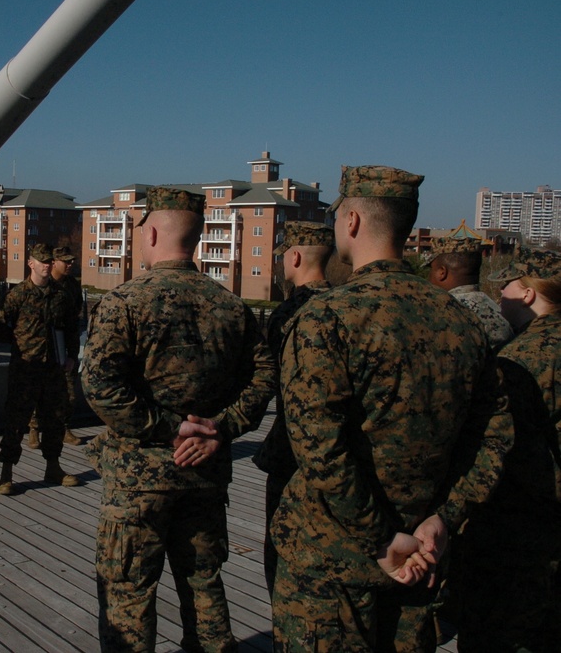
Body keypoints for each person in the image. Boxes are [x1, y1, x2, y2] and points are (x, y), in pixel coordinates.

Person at [271, 165, 513, 651]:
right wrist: (443, 517)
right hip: (423, 557)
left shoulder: (327, 318)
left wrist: (382, 540)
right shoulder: (463, 321)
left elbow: (320, 450)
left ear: (353, 221)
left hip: (331, 567)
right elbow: (494, 437)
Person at [81, 187, 276, 652]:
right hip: (204, 475)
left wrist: (171, 428)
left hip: (138, 480)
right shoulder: (231, 307)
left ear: (149, 232)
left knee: (128, 593)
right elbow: (266, 373)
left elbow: (99, 387)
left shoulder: (125, 303)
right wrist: (221, 427)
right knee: (204, 585)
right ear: (199, 236)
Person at [450, 246, 561, 652]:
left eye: (509, 286)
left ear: (529, 293)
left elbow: (499, 449)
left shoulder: (521, 360)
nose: (501, 296)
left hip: (519, 539)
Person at [252, 220, 333, 596]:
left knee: (281, 549)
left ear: (295, 256)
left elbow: (268, 378)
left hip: (291, 451)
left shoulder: (290, 313)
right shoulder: (343, 305)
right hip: (338, 453)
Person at [0, 242, 82, 494]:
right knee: (16, 421)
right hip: (25, 368)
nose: (47, 265)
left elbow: (72, 327)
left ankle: (53, 467)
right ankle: (6, 473)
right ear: (31, 264)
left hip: (53, 368)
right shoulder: (18, 294)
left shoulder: (61, 295)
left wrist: (72, 355)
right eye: (42, 261)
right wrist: (15, 342)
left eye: (50, 261)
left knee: (54, 419)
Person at [29, 245, 85, 449]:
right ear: (54, 262)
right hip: (41, 344)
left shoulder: (72, 285)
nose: (70, 265)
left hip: (64, 340)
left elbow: (75, 317)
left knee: (68, 391)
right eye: (66, 261)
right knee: (38, 390)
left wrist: (72, 353)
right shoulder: (41, 283)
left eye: (72, 261)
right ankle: (34, 429)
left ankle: (63, 428)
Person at [425, 235, 514, 351]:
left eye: (431, 269)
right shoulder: (500, 313)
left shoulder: (438, 313)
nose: (429, 277)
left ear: (442, 272)